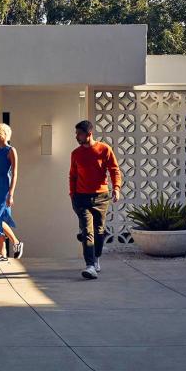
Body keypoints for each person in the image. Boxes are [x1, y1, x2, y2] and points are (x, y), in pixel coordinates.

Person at [69, 120, 122, 280]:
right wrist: (72, 193)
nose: (77, 136)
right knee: (87, 231)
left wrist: (117, 188)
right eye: (76, 133)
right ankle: (90, 265)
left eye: (79, 133)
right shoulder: (75, 153)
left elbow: (114, 170)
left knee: (99, 231)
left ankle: (96, 257)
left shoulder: (104, 149)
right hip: (81, 197)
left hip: (101, 197)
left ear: (89, 134)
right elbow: (73, 175)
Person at [0, 123, 24, 262]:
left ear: (4, 134)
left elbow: (14, 173)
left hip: (4, 185)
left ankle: (16, 242)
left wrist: (11, 193)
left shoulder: (11, 150)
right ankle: (3, 253)